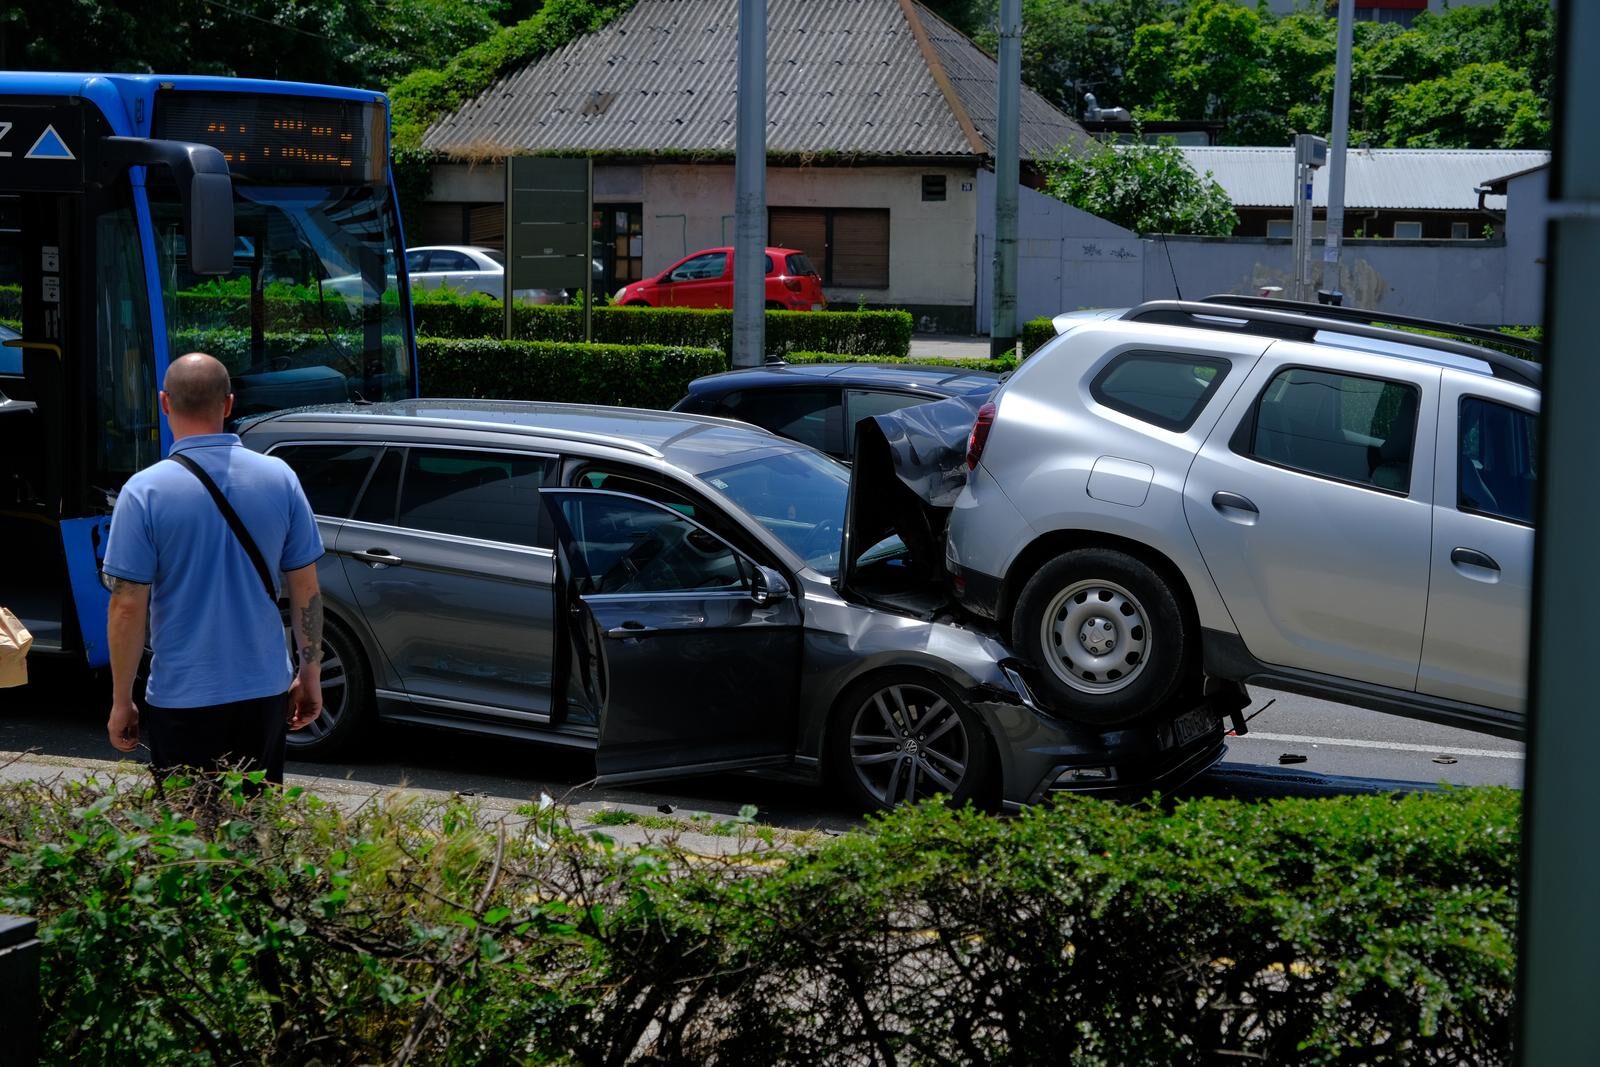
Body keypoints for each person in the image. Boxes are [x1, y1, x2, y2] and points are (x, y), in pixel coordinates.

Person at [102, 352, 324, 784]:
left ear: (164, 403)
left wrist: (121, 700)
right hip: (263, 691)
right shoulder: (280, 478)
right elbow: (306, 589)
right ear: (228, 404)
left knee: (187, 835)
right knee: (255, 835)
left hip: (182, 695)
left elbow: (127, 606)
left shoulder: (143, 492)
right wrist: (309, 672)